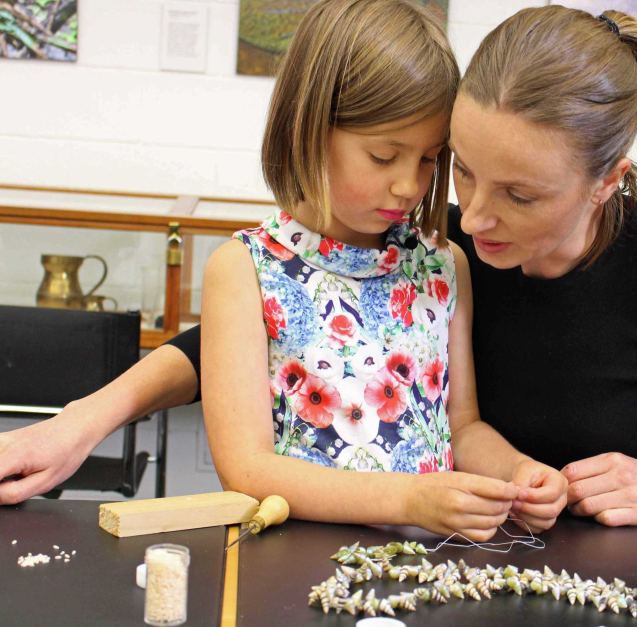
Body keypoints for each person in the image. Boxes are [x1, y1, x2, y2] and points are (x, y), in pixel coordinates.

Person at [0, 6, 637, 527]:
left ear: (604, 182)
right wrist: (86, 415)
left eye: (522, 194)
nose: (472, 211)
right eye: (461, 166)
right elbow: (270, 331)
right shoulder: (448, 241)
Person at [0, 0, 569, 541]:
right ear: (309, 128)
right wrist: (410, 499)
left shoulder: (446, 265)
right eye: (382, 156)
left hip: (428, 567)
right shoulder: (243, 271)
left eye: (428, 158)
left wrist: (518, 472)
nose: (409, 184)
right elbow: (247, 470)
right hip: (296, 564)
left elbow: (462, 426)